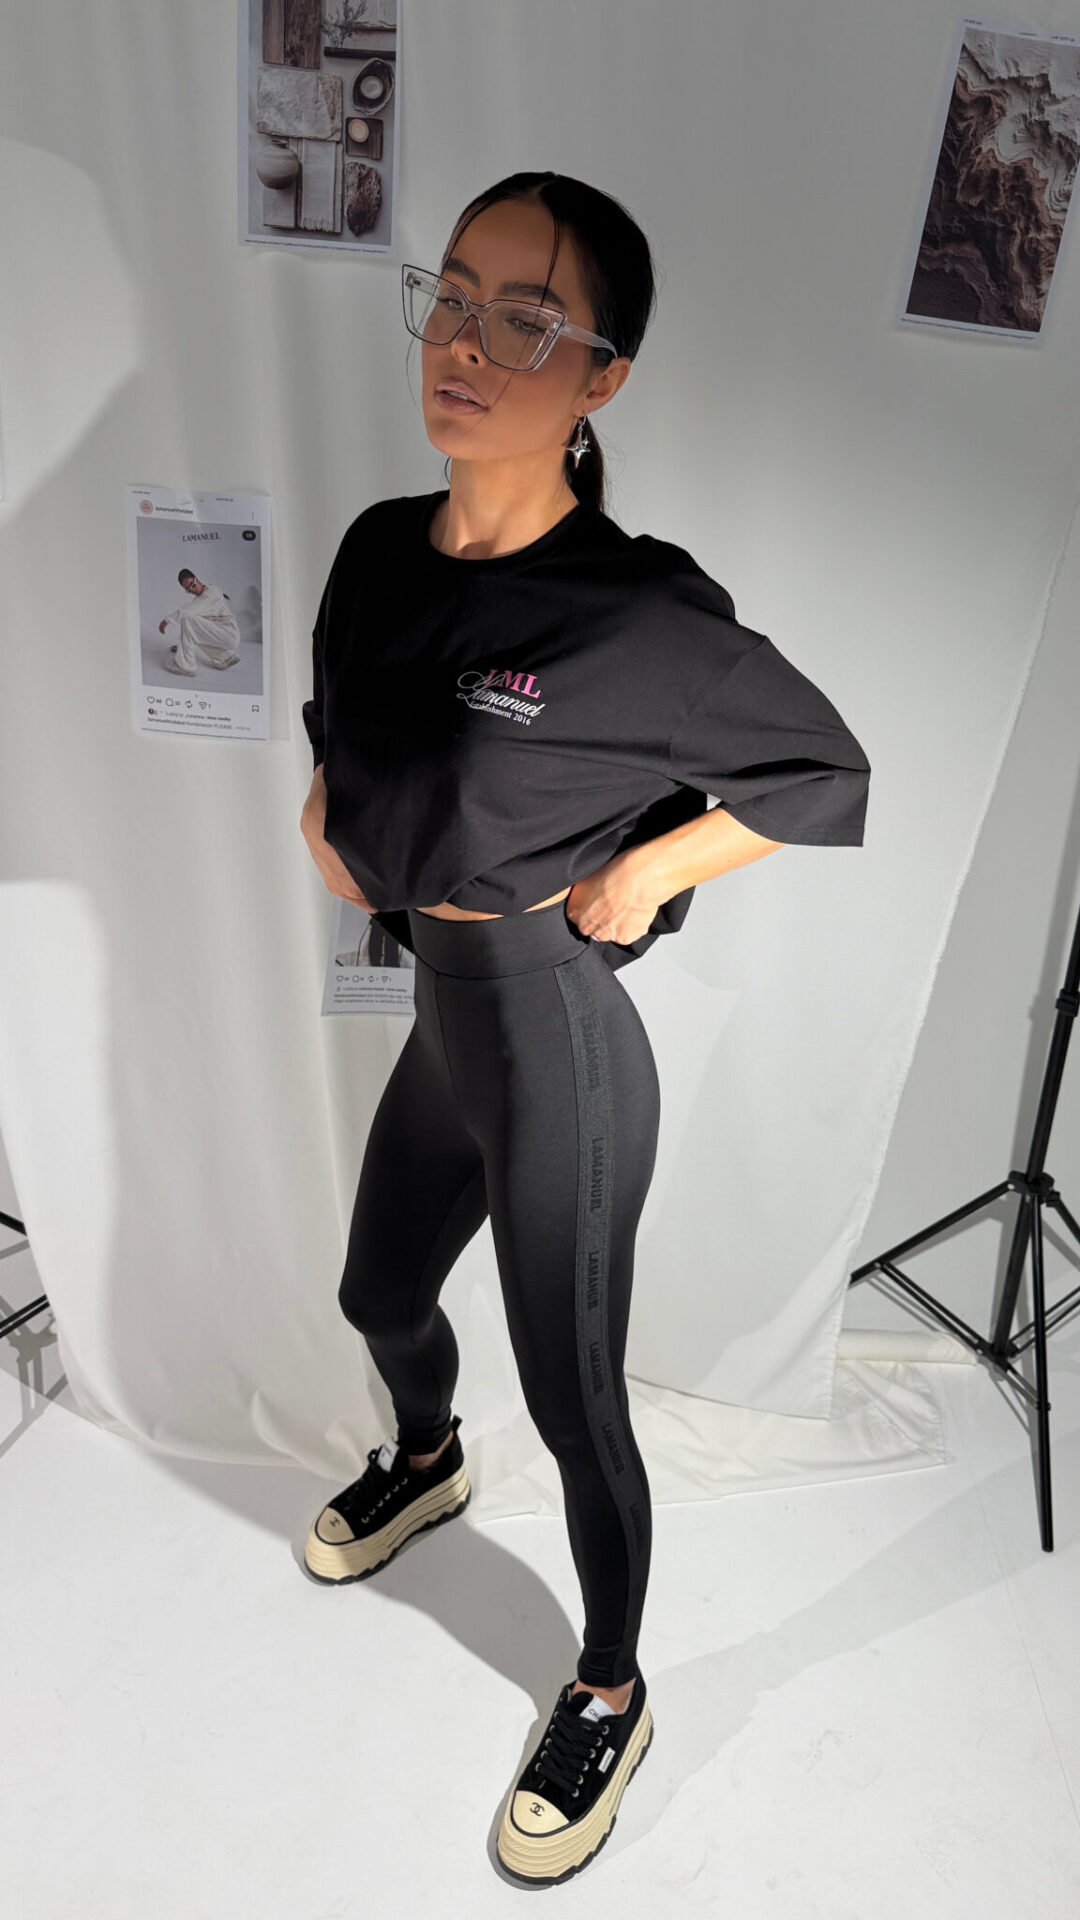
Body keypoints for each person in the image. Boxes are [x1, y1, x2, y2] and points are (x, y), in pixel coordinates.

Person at [297, 171, 871, 1885]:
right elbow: (345, 729)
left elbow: (824, 769)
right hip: (443, 1027)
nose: (468, 343)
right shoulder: (378, 550)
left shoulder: (637, 615)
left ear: (601, 375)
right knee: (377, 1297)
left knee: (576, 1399)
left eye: (527, 317)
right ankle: (424, 1459)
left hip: (556, 1045)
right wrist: (331, 815)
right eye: (454, 296)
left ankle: (610, 1688)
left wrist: (654, 867)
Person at [158, 570, 242, 675]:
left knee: (187, 619)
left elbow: (187, 611)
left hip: (229, 633)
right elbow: (195, 629)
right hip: (223, 634)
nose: (192, 590)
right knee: (194, 629)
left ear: (196, 578)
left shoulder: (210, 593)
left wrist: (166, 621)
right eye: (188, 590)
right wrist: (182, 645)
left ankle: (185, 666)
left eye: (193, 585)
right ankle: (224, 658)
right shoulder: (202, 598)